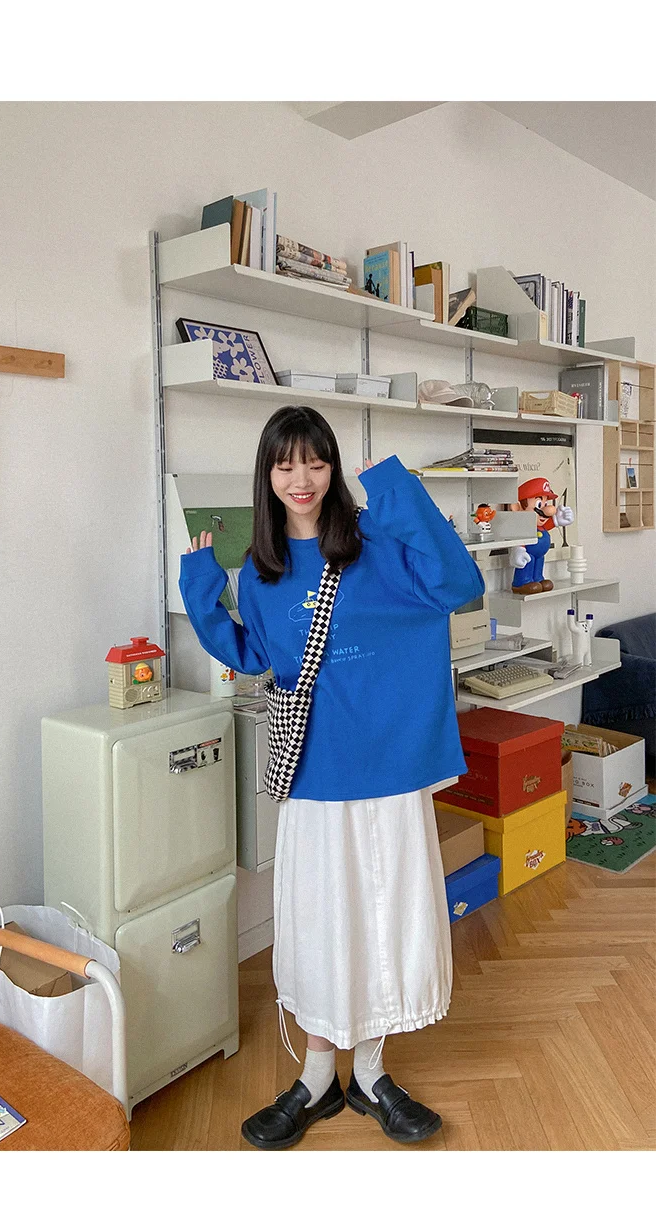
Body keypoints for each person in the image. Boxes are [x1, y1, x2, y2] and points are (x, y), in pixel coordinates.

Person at [179, 406, 485, 1149]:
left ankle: (372, 1073)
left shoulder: (379, 540)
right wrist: (198, 584)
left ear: (333, 467)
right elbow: (251, 656)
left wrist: (394, 484)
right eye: (285, 464)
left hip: (391, 766)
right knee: (319, 920)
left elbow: (459, 582)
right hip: (315, 772)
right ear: (267, 475)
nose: (302, 478)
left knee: (387, 916)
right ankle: (317, 1077)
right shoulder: (262, 572)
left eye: (315, 462)